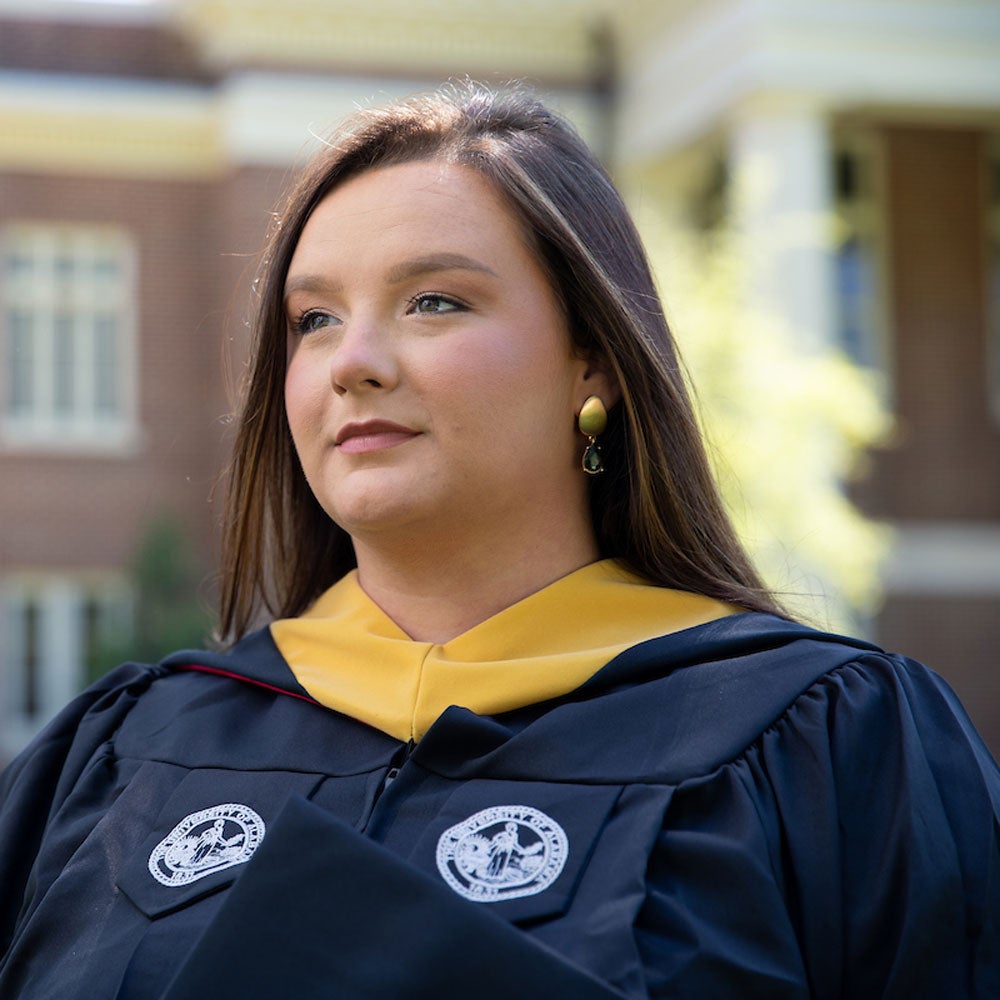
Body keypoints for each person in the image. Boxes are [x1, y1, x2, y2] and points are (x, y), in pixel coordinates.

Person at [0, 82, 997, 1000]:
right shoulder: (130, 751)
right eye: (312, 318)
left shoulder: (826, 743)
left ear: (593, 362)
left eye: (435, 300)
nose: (352, 361)